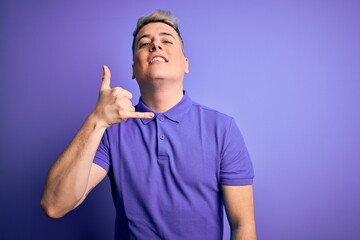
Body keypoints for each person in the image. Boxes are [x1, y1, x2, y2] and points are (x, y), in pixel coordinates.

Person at [41, 10, 256, 240]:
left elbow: (242, 225)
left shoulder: (222, 129)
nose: (155, 46)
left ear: (186, 64)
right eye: (144, 43)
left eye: (166, 40)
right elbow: (54, 205)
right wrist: (97, 120)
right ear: (133, 68)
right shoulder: (110, 130)